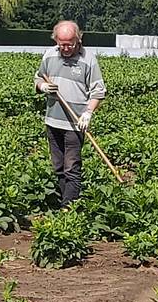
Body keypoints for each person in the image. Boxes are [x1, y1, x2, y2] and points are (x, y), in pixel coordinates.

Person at [34, 20, 106, 208]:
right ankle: (63, 202)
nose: (65, 48)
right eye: (61, 44)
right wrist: (42, 86)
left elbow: (98, 91)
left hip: (74, 124)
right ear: (56, 40)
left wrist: (88, 113)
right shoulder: (49, 55)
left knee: (71, 167)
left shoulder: (88, 59)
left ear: (78, 40)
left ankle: (69, 209)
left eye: (70, 44)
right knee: (58, 166)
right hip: (52, 121)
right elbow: (38, 77)